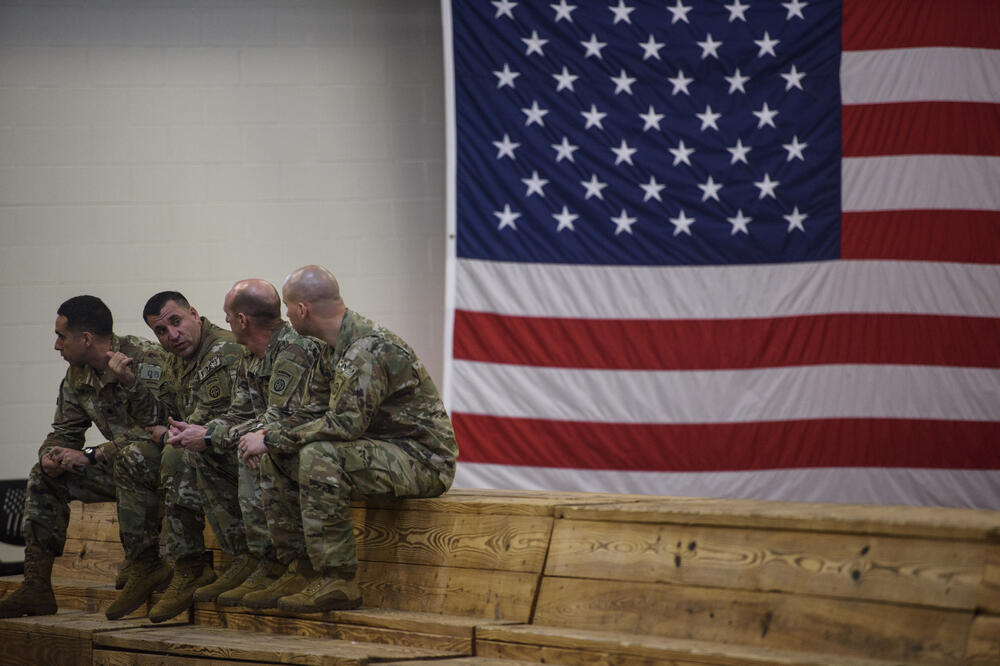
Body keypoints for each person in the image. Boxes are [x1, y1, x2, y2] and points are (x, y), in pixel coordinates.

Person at [241, 265, 457, 612]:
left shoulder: (367, 349)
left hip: (422, 459)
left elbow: (344, 425)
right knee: (279, 456)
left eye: (287, 308)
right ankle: (303, 568)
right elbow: (310, 410)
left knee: (318, 456)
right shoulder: (331, 347)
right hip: (379, 451)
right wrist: (267, 436)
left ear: (302, 310)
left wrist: (275, 438)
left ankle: (338, 579)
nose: (286, 316)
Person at [0, 296, 168, 619]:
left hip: (161, 469)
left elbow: (157, 429)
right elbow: (64, 430)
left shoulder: (146, 359)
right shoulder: (78, 376)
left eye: (61, 336)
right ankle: (36, 586)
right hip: (119, 469)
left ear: (86, 339)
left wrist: (91, 454)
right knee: (43, 474)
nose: (56, 345)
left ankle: (144, 564)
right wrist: (52, 454)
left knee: (132, 456)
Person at [166, 279, 325, 615]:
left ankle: (285, 563)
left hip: (306, 443)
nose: (224, 323)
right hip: (278, 437)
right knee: (201, 453)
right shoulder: (251, 357)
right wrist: (203, 432)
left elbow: (276, 420)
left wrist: (211, 436)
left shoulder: (294, 349)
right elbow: (240, 412)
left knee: (254, 452)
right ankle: (250, 558)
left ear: (242, 320)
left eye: (227, 316)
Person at [106, 292, 249, 622]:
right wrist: (131, 384)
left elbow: (208, 424)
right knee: (132, 456)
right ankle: (145, 565)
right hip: (207, 444)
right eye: (160, 331)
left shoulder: (221, 352)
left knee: (177, 454)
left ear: (194, 315)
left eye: (176, 322)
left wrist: (170, 434)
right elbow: (163, 414)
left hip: (239, 446)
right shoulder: (175, 359)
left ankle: (202, 564)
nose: (172, 335)